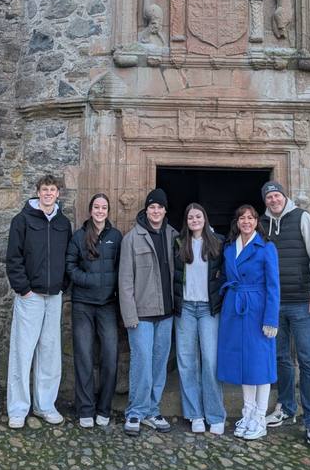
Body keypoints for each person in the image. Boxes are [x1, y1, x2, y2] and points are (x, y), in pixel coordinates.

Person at [259, 181, 310, 447]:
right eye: (269, 197)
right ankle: (286, 408)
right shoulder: (262, 224)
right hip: (275, 305)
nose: (273, 200)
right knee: (281, 358)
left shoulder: (302, 218)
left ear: (283, 197)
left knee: (308, 362)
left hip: (302, 303)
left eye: (277, 196)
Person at [5, 173, 72, 429]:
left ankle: (45, 405)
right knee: (23, 353)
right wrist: (23, 290)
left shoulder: (63, 223)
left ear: (58, 194)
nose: (48, 193)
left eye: (52, 189)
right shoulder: (21, 221)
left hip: (53, 296)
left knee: (50, 353)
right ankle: (18, 409)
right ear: (38, 192)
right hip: (30, 296)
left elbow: (68, 257)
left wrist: (63, 285)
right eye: (44, 189)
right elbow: (14, 257)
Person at [217, 204, 279, 441]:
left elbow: (274, 285)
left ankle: (260, 417)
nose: (246, 222)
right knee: (243, 362)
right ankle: (248, 412)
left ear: (256, 222)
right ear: (237, 222)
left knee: (259, 363)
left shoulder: (266, 248)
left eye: (250, 218)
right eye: (242, 218)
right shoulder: (230, 248)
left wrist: (271, 318)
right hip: (234, 306)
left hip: (257, 308)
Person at [118, 188, 176, 436]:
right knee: (141, 362)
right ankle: (135, 412)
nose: (156, 211)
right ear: (146, 209)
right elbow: (125, 281)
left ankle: (152, 410)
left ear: (165, 210)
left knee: (160, 364)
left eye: (159, 207)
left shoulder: (174, 236)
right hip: (141, 314)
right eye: (151, 207)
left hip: (167, 313)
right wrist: (129, 315)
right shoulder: (132, 238)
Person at [66, 193, 122, 429]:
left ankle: (103, 408)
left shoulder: (116, 237)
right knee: (84, 356)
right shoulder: (79, 237)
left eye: (104, 207)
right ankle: (85, 409)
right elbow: (70, 266)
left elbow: (122, 268)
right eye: (96, 207)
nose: (100, 211)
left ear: (108, 211)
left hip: (108, 305)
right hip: (83, 304)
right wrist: (88, 280)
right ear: (90, 210)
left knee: (110, 356)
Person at [173, 203, 226, 435]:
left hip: (208, 309)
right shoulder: (178, 244)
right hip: (185, 307)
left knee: (210, 361)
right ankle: (194, 414)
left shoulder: (218, 243)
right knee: (187, 362)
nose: (194, 220)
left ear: (204, 218)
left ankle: (215, 415)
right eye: (190, 217)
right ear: (186, 221)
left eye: (198, 216)